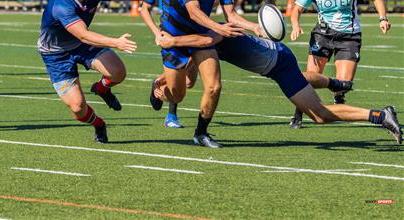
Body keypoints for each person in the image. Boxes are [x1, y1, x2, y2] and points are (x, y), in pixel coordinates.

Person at [155, 28, 402, 145]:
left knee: (317, 112)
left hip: (278, 62)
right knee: (320, 115)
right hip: (278, 62)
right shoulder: (201, 40)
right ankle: (381, 115)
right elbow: (186, 75)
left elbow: (205, 44)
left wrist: (173, 41)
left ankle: (335, 84)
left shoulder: (209, 35)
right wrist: (159, 83)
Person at [37, 0, 170, 143]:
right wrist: (115, 42)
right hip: (56, 54)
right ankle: (99, 124)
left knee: (118, 72)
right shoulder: (62, 4)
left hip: (81, 45)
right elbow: (83, 34)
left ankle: (102, 88)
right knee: (77, 108)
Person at [147, 0, 260, 148]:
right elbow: (194, 12)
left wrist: (255, 27)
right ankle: (157, 87)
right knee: (178, 95)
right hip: (175, 38)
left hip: (202, 36)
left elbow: (231, 16)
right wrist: (219, 29)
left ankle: (201, 132)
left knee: (214, 87)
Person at [289, 0, 391, 129]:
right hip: (322, 35)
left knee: (344, 84)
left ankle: (338, 94)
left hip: (348, 37)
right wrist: (296, 25)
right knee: (310, 78)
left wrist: (382, 18)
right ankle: (299, 112)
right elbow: (296, 10)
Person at [140, 0, 195, 128]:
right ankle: (171, 116)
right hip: (169, 34)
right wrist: (156, 33)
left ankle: (158, 82)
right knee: (179, 86)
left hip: (193, 32)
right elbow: (144, 9)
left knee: (189, 82)